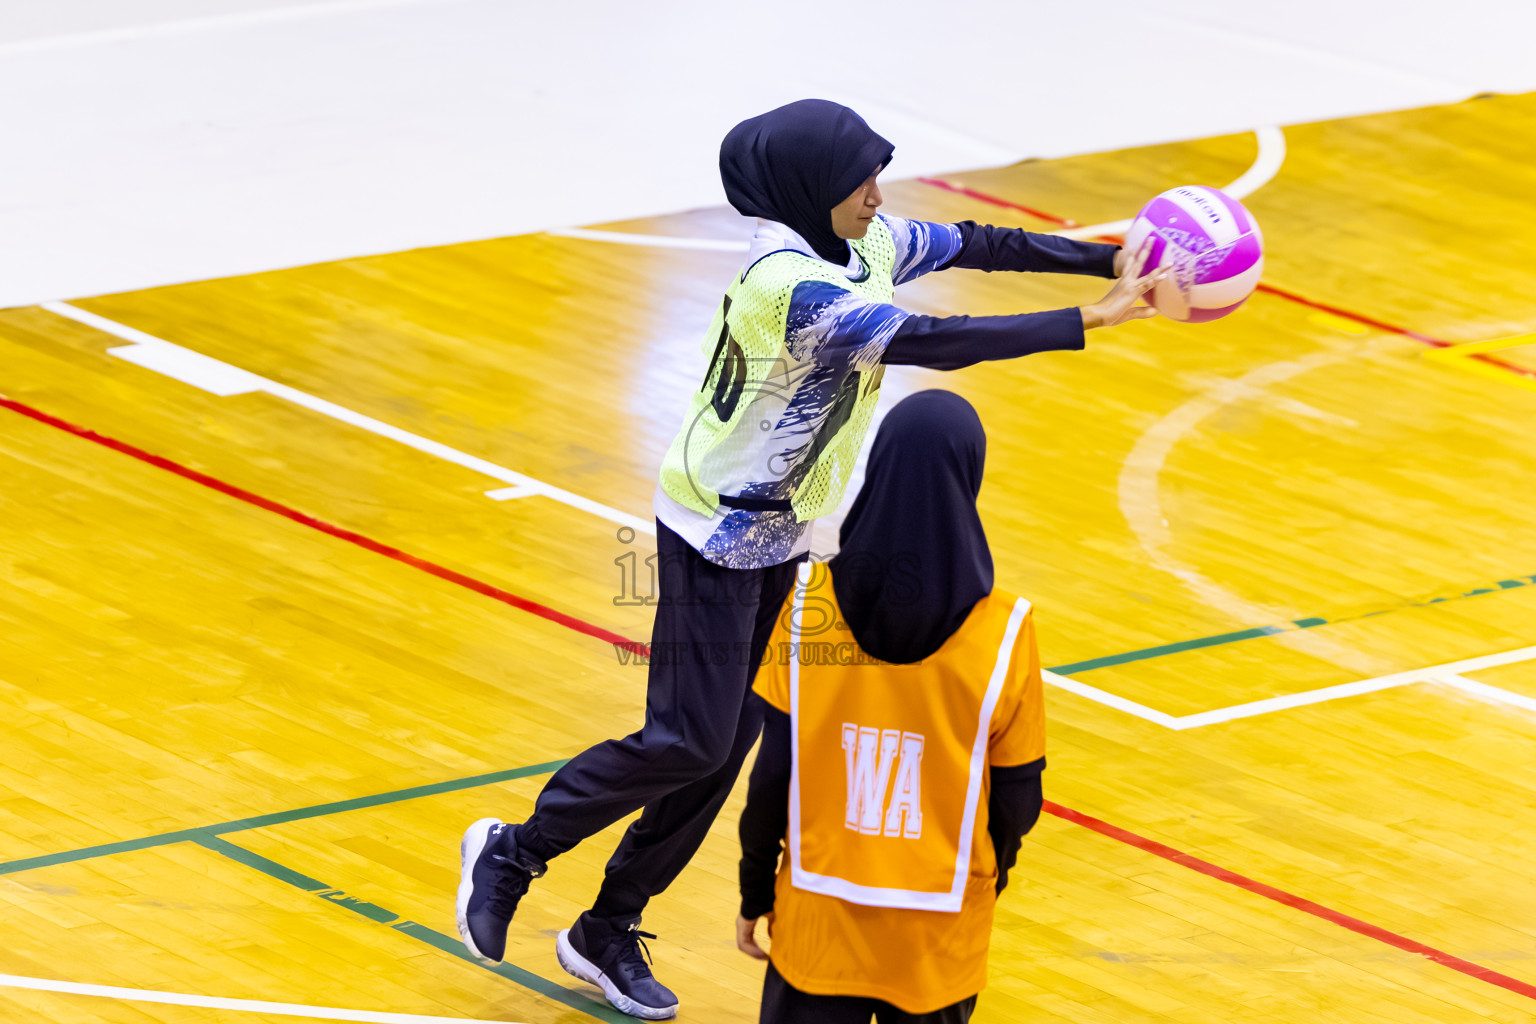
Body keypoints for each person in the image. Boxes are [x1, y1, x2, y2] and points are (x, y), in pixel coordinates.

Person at [457, 98, 1162, 1020]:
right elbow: (930, 342)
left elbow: (978, 242)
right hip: (714, 534)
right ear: (811, 192)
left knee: (725, 747)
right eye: (859, 178)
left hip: (795, 536)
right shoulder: (788, 289)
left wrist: (1105, 257)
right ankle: (514, 847)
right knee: (690, 738)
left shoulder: (866, 240)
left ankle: (606, 926)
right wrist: (1089, 316)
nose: (878, 191)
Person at [736, 389, 1044, 1024]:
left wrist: (754, 890)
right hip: (938, 935)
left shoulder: (808, 611)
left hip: (819, 919)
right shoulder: (1005, 632)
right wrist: (991, 878)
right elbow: (1018, 797)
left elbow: (771, 778)